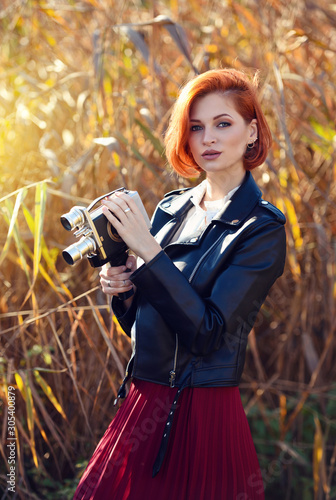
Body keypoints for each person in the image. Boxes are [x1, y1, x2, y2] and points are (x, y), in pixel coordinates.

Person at [73, 68, 286, 500]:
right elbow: (145, 327)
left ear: (251, 132)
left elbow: (207, 334)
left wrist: (150, 254)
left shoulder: (262, 229)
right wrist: (124, 290)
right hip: (143, 399)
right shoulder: (172, 209)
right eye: (196, 127)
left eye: (222, 124)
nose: (207, 138)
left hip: (202, 412)